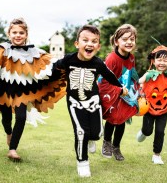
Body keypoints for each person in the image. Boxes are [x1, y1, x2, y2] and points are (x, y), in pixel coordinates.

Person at [0, 18, 66, 161]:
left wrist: (68, 63)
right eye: (15, 32)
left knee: (21, 117)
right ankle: (8, 133)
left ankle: (12, 149)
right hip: (3, 91)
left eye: (21, 32)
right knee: (6, 119)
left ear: (26, 34)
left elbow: (50, 64)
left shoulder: (34, 52)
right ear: (9, 34)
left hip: (22, 92)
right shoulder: (1, 50)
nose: (18, 35)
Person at [53, 25, 128, 177]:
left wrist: (121, 87)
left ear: (98, 46)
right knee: (81, 131)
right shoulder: (68, 59)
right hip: (74, 102)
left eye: (94, 41)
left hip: (93, 101)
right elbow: (53, 70)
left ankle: (91, 139)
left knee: (96, 133)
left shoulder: (98, 63)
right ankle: (82, 162)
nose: (89, 44)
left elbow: (110, 76)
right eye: (85, 40)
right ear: (77, 44)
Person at [136, 45, 167, 164]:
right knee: (148, 131)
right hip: (149, 108)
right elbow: (138, 83)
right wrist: (139, 90)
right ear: (153, 61)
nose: (162, 63)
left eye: (165, 60)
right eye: (159, 60)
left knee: (160, 131)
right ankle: (144, 132)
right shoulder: (149, 74)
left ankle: (157, 155)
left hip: (163, 110)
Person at [98, 24, 139, 161]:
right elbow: (104, 81)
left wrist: (136, 90)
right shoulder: (111, 59)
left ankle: (116, 146)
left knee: (122, 120)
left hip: (125, 94)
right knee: (112, 119)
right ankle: (107, 142)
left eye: (132, 39)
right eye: (125, 39)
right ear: (116, 41)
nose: (129, 42)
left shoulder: (131, 57)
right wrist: (118, 90)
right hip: (113, 93)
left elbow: (132, 74)